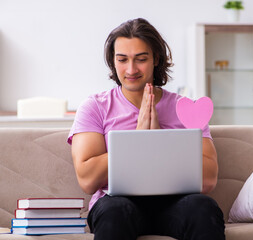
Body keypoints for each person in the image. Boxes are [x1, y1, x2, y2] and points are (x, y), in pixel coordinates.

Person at [68, 18, 225, 240]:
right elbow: (88, 180)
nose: (131, 69)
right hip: (118, 204)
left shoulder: (185, 108)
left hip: (175, 203)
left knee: (203, 207)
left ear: (156, 59)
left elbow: (208, 179)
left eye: (141, 59)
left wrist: (159, 140)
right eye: (122, 59)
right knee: (115, 211)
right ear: (113, 61)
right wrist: (137, 139)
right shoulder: (95, 107)